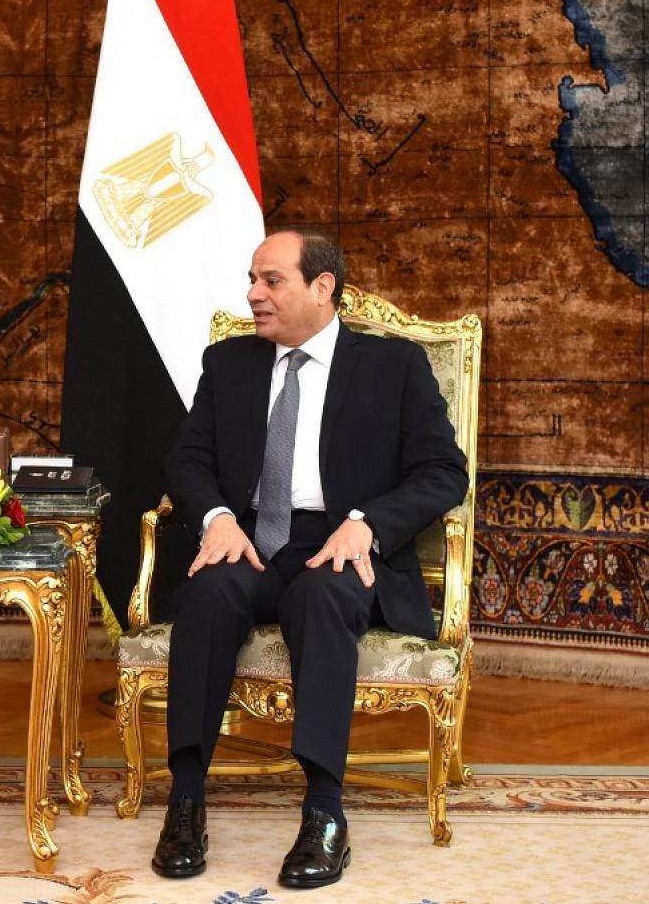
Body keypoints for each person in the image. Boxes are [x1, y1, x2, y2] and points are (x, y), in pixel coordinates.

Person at [153, 229, 467, 888]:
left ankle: (325, 811)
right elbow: (187, 459)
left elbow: (444, 471)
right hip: (247, 541)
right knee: (207, 595)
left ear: (322, 287)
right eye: (252, 279)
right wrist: (214, 517)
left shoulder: (393, 367)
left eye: (271, 280)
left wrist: (367, 524)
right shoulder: (229, 363)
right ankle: (185, 800)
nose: (253, 294)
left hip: (336, 543)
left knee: (322, 598)